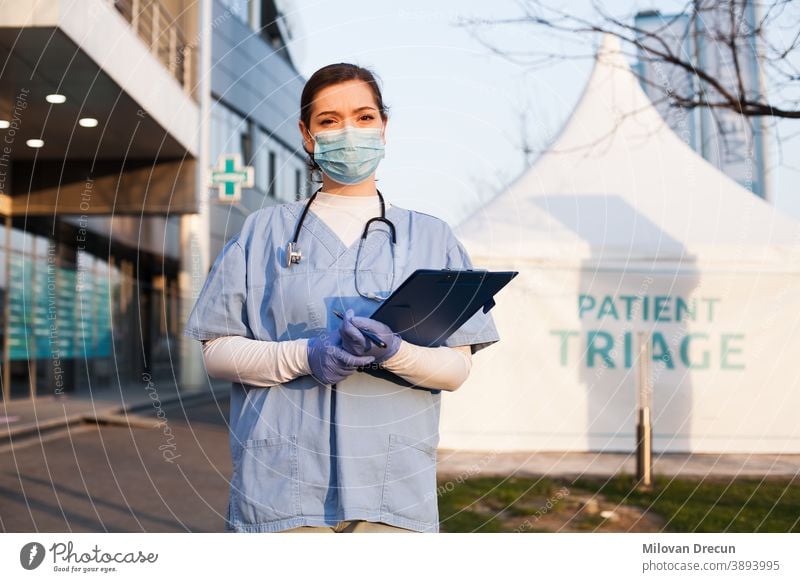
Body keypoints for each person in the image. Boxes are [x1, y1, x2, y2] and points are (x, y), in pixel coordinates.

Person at [183, 62, 500, 533]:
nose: (348, 132)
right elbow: (218, 353)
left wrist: (397, 353)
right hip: (281, 491)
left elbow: (455, 370)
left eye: (364, 116)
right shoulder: (263, 233)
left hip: (392, 493)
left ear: (384, 127)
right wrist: (306, 355)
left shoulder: (433, 238)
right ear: (307, 136)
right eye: (329, 121)